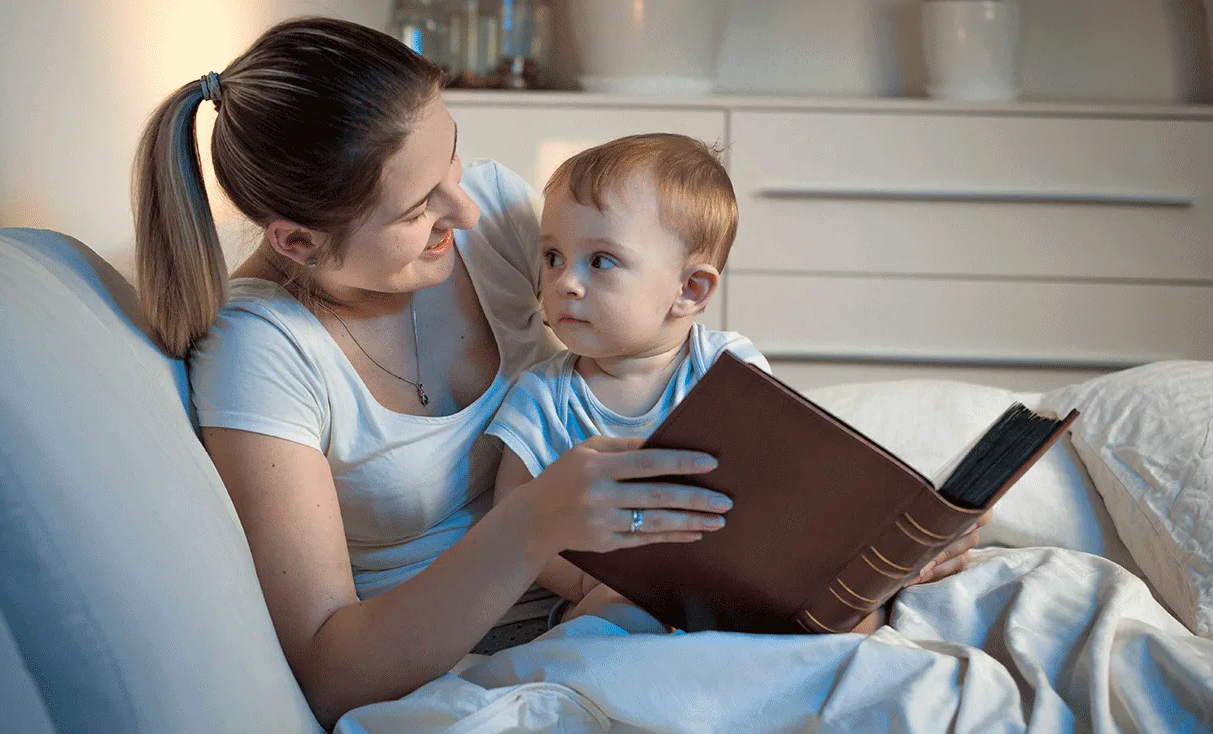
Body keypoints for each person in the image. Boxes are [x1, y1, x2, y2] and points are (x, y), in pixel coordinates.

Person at [130, 16, 984, 727]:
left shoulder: (497, 216)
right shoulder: (263, 354)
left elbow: (641, 341)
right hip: (507, 658)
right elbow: (331, 672)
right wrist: (534, 523)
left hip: (654, 591)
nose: (465, 211)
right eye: (419, 205)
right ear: (296, 242)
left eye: (451, 162)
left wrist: (860, 535)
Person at [484, 134, 988, 635]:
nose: (565, 283)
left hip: (736, 582)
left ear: (689, 290)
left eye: (600, 261)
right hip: (618, 593)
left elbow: (782, 478)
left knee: (856, 620)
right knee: (605, 626)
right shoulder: (542, 395)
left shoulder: (725, 365)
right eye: (552, 257)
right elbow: (513, 515)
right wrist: (582, 586)